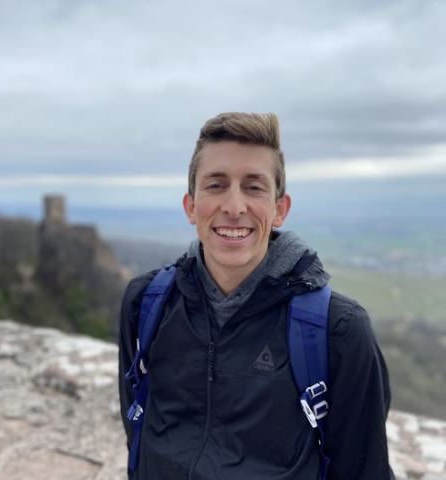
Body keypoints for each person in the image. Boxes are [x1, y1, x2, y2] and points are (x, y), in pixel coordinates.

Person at [118, 112, 394, 480]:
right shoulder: (147, 304)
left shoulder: (337, 329)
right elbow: (137, 428)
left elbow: (364, 471)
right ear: (190, 206)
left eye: (254, 187)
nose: (234, 207)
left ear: (280, 209)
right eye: (216, 185)